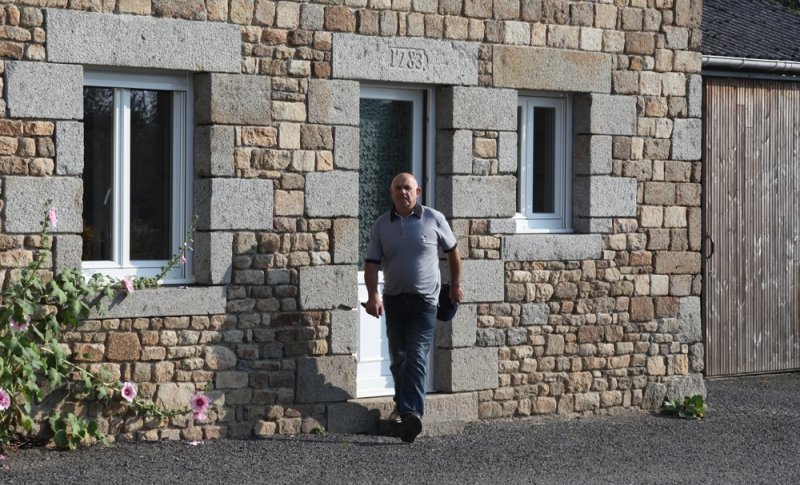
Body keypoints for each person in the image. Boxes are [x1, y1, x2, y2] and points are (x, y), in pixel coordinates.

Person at [364, 172, 464, 443]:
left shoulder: (434, 219)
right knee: (399, 357)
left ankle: (412, 414)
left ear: (417, 192)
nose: (402, 192)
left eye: (407, 187)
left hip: (425, 303)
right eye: (397, 188)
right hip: (395, 301)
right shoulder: (381, 225)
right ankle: (402, 406)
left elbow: (453, 252)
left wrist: (455, 285)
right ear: (391, 192)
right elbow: (371, 263)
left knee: (416, 355)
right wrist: (373, 296)